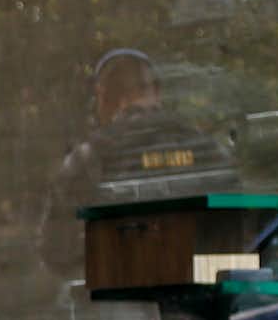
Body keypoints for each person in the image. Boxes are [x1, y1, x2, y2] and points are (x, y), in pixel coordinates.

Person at [35, 48, 236, 281]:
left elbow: (56, 251)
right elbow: (242, 233)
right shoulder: (206, 148)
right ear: (157, 92)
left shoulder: (88, 158)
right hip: (203, 298)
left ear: (106, 98)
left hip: (121, 301)